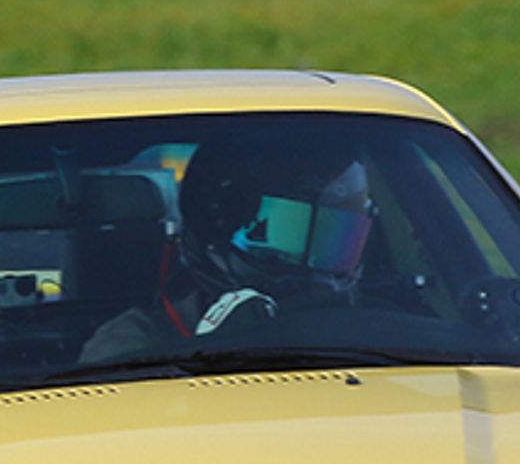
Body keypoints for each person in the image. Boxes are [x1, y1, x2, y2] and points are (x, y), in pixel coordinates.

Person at [79, 128, 379, 365]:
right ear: (213, 236)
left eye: (338, 238)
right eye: (284, 233)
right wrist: (212, 354)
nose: (314, 267)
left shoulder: (386, 332)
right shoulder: (132, 341)